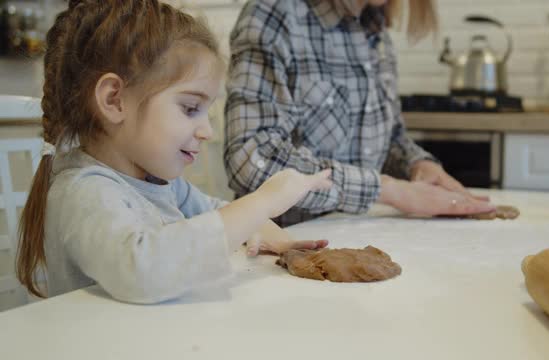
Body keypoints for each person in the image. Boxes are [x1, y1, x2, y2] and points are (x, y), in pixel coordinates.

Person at [15, 0, 332, 304]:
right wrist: (262, 202)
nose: (207, 130)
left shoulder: (155, 181)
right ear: (114, 100)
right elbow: (144, 269)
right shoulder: (83, 192)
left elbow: (212, 210)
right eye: (191, 107)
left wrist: (269, 232)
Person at [224, 0, 495, 227]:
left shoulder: (376, 30)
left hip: (359, 235)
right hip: (279, 249)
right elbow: (249, 158)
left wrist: (417, 164)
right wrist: (388, 190)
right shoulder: (275, 15)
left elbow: (388, 139)